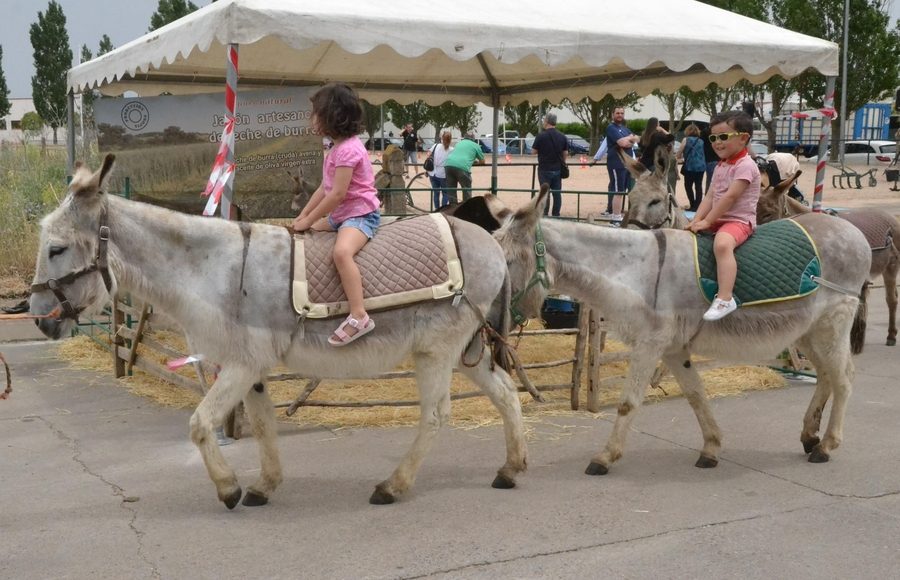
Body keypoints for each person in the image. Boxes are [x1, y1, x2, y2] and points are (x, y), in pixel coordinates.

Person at [292, 83, 380, 346]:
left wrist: (309, 219)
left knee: (341, 253)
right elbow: (323, 188)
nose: (313, 119)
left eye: (316, 113)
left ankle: (359, 315)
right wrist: (304, 217)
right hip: (342, 215)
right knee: (311, 234)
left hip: (360, 215)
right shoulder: (335, 149)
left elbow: (337, 194)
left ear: (332, 115)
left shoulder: (349, 150)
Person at [685, 111, 761, 322]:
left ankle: (726, 298)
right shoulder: (722, 165)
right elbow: (709, 198)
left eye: (724, 137)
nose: (717, 142)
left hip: (738, 220)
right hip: (718, 219)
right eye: (713, 137)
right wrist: (695, 221)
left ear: (744, 138)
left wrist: (707, 221)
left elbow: (730, 198)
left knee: (721, 245)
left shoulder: (745, 165)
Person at [605, 107, 640, 226]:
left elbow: (637, 139)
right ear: (612, 115)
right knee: (618, 191)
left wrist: (629, 138)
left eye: (622, 113)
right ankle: (615, 218)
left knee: (625, 190)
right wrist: (630, 139)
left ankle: (620, 216)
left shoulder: (624, 128)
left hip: (627, 164)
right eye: (617, 113)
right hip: (617, 163)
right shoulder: (611, 127)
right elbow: (623, 143)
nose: (620, 115)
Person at [530, 113, 568, 217]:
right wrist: (562, 162)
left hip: (544, 169)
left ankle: (545, 214)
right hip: (557, 168)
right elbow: (565, 153)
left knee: (545, 194)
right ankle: (556, 214)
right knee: (557, 193)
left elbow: (533, 151)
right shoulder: (562, 136)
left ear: (546, 122)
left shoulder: (541, 136)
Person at [443, 131, 486, 203]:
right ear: (473, 139)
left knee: (451, 190)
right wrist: (473, 161)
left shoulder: (459, 143)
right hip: (462, 167)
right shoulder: (476, 146)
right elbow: (482, 161)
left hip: (448, 164)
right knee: (466, 189)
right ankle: (466, 207)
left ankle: (452, 207)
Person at [676, 123, 706, 211]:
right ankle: (698, 205)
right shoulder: (701, 141)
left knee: (688, 186)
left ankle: (692, 204)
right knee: (698, 186)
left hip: (690, 166)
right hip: (701, 166)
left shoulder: (686, 139)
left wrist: (678, 157)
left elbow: (680, 151)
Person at [426, 131, 454, 209]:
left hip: (432, 172)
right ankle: (443, 209)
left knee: (436, 193)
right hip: (443, 174)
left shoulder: (436, 146)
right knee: (445, 193)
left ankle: (437, 209)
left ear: (442, 138)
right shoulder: (451, 150)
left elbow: (428, 154)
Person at [699, 125, 721, 191]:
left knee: (710, 180)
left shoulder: (705, 132)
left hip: (708, 158)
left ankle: (708, 196)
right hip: (717, 158)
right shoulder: (720, 132)